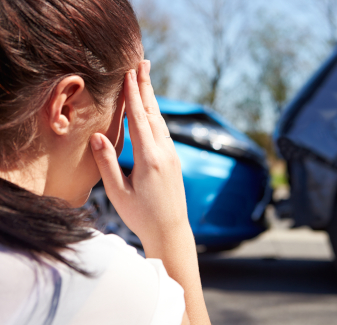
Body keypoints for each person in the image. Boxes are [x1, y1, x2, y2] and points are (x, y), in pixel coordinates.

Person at [0, 0, 211, 324]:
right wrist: (171, 232)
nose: (122, 141)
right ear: (67, 107)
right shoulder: (92, 277)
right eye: (124, 114)